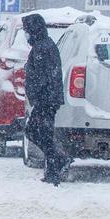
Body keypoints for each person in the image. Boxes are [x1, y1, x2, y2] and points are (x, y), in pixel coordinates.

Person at [22, 12, 68, 185]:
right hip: (47, 98)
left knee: (35, 131)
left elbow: (45, 75)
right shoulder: (42, 46)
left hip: (46, 99)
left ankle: (57, 161)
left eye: (27, 30)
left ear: (34, 29)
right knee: (42, 133)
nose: (26, 34)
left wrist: (36, 92)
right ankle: (54, 167)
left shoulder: (43, 48)